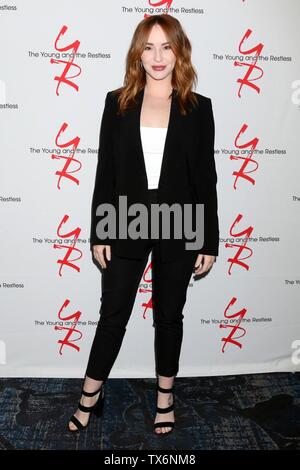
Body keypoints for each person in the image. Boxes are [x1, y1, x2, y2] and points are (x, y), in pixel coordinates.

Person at [68, 13, 219, 436]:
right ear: (138, 53)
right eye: (149, 47)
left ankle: (165, 401)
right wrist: (100, 229)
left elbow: (206, 179)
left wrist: (208, 240)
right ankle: (89, 395)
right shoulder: (117, 102)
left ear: (179, 52)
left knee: (169, 316)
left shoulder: (198, 107)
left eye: (166, 46)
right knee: (113, 314)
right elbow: (105, 172)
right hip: (125, 219)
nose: (157, 56)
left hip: (181, 221)